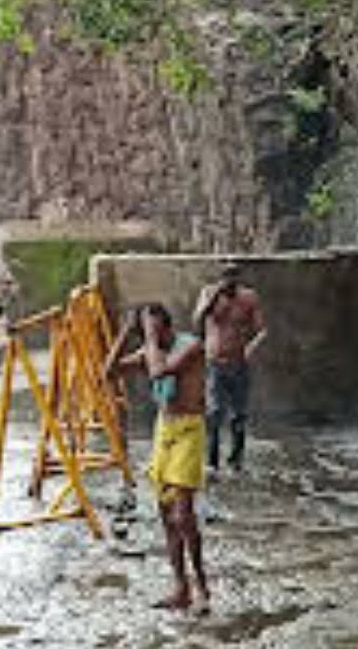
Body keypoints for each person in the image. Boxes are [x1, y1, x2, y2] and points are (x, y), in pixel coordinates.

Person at [105, 304, 210, 613]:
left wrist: (149, 338)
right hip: (164, 430)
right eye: (149, 330)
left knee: (183, 515)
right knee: (166, 515)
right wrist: (125, 333)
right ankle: (181, 588)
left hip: (190, 429)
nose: (152, 336)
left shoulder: (191, 346)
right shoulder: (151, 350)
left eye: (155, 329)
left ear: (167, 327)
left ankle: (202, 584)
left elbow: (159, 371)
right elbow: (108, 372)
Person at [193, 263, 266, 473]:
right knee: (214, 411)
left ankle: (236, 460)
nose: (229, 282)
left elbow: (262, 330)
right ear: (219, 279)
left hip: (239, 363)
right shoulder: (208, 293)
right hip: (214, 362)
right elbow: (196, 321)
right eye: (226, 277)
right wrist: (212, 298)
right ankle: (212, 461)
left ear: (239, 279)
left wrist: (251, 347)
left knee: (239, 414)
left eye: (233, 277)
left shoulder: (249, 297)